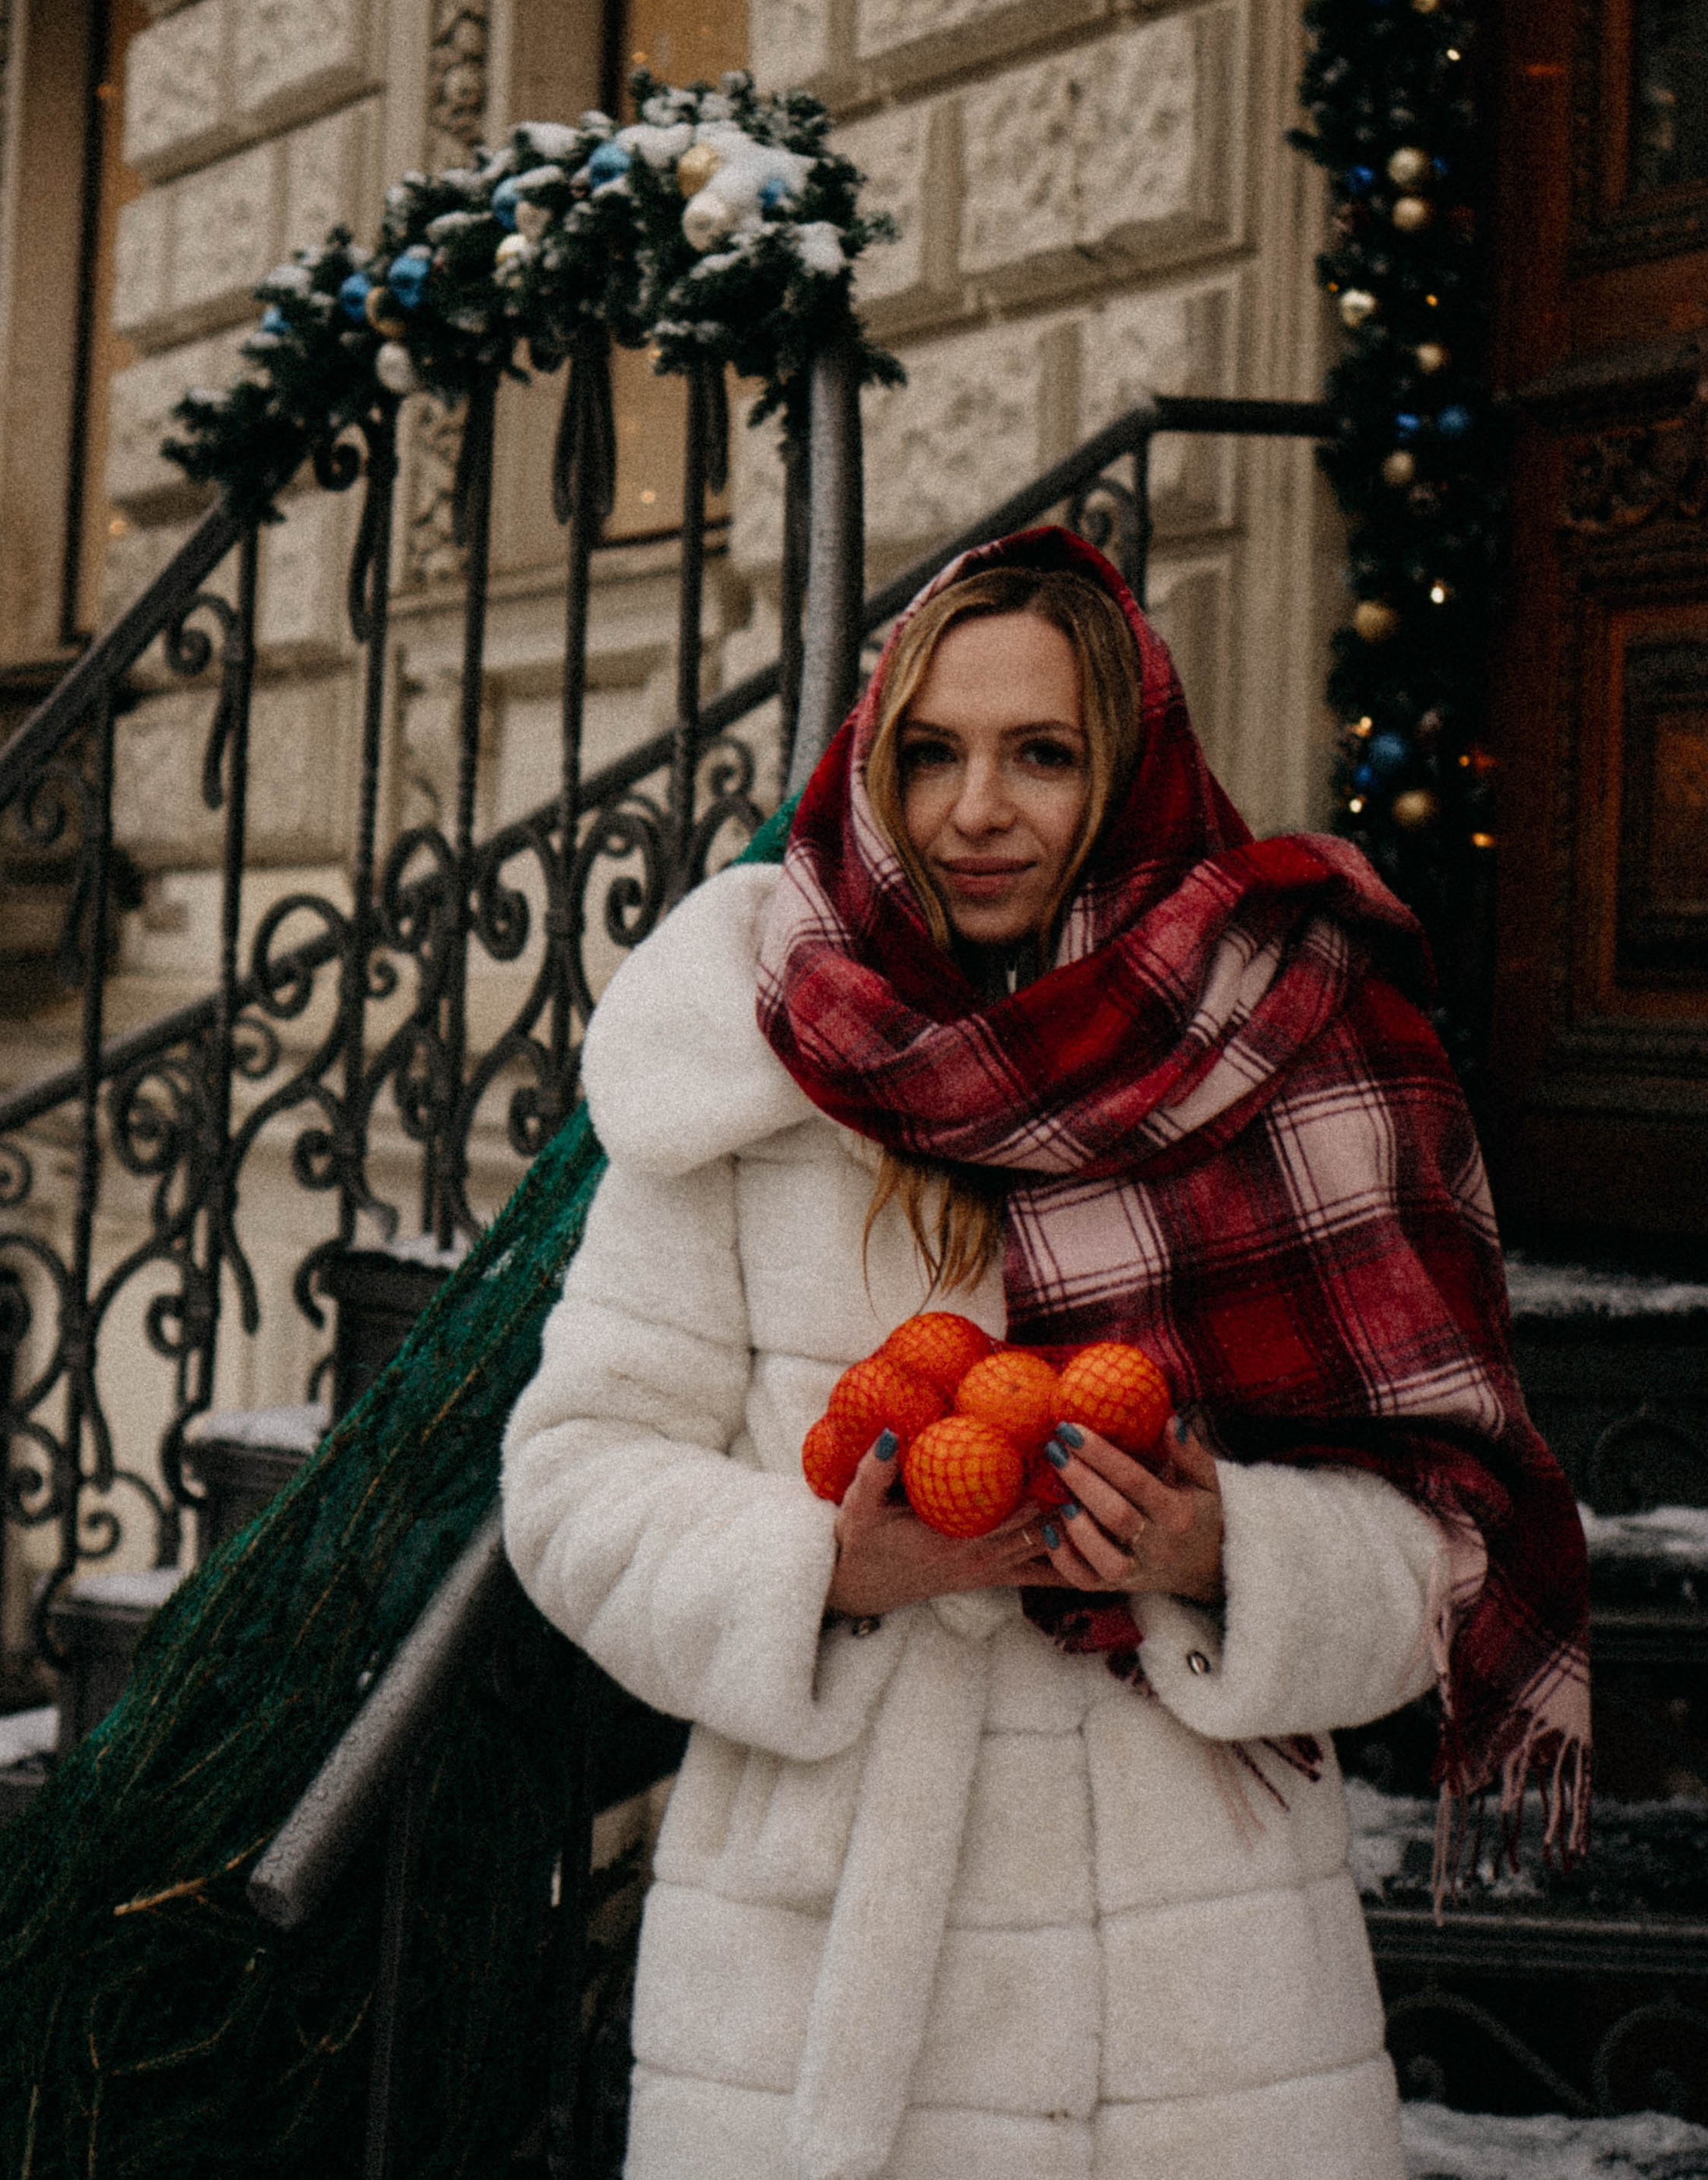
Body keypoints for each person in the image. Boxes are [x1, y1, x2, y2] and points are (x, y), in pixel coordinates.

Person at [502, 526, 1588, 2180]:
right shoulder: (751, 1053)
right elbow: (574, 1480)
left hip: (1199, 2015)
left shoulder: (1296, 1050)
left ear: (1132, 771)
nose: (972, 811)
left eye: (1039, 755)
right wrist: (822, 1571)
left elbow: (1444, 1544)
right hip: (826, 1988)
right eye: (928, 753)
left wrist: (1231, 1546)